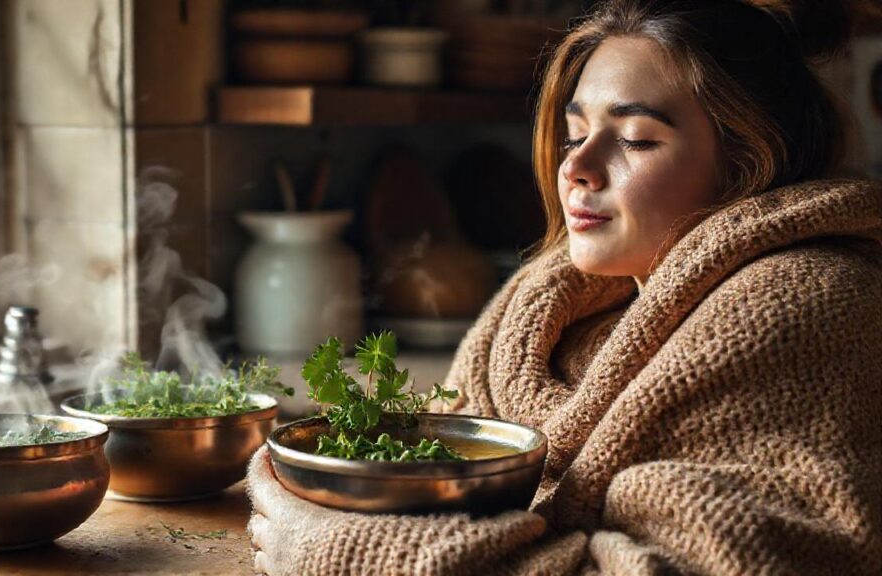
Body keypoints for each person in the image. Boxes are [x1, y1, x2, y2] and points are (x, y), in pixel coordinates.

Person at [247, 0, 882, 573]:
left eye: (635, 139)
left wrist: (351, 553)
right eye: (576, 134)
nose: (574, 166)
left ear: (747, 163)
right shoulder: (547, 310)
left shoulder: (806, 304)